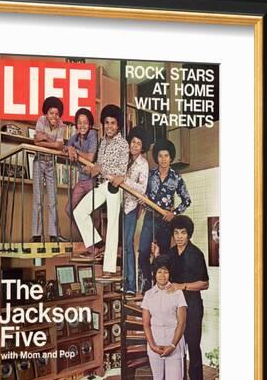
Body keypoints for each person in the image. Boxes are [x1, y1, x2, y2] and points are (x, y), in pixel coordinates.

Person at [153, 215, 209, 380]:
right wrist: (156, 257)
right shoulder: (169, 253)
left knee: (193, 348)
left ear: (189, 234)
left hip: (192, 307)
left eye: (183, 233)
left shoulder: (196, 254)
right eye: (176, 233)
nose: (179, 237)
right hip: (174, 309)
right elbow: (161, 273)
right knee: (176, 350)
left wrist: (182, 286)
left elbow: (205, 283)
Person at [73, 104, 129, 278]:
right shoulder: (102, 141)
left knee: (112, 226)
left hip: (114, 186)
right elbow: (98, 164)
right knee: (79, 211)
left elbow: (122, 170)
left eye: (113, 123)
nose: (109, 126)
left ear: (118, 125)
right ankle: (97, 245)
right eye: (107, 122)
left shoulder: (123, 144)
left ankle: (109, 268)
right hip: (101, 185)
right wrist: (95, 169)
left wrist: (102, 169)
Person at [138, 138, 191, 292]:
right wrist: (143, 201)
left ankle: (161, 287)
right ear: (157, 157)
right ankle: (147, 282)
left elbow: (187, 200)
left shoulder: (176, 178)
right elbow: (143, 194)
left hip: (165, 222)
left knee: (163, 257)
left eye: (166, 156)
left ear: (171, 158)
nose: (163, 159)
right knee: (142, 252)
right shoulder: (150, 175)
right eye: (160, 156)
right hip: (149, 218)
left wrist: (173, 213)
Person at [111, 126, 151, 296]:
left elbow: (142, 188)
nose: (134, 145)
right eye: (133, 142)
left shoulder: (144, 164)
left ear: (143, 147)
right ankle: (123, 281)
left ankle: (131, 285)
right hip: (116, 203)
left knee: (128, 245)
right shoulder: (124, 157)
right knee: (120, 245)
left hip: (131, 207)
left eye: (138, 144)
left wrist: (125, 180)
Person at [141, 255, 187, 380]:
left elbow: (182, 322)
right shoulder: (148, 295)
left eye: (165, 271)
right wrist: (153, 345)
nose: (162, 275)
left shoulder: (178, 293)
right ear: (154, 273)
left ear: (170, 273)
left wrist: (172, 345)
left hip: (174, 344)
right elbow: (146, 324)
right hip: (155, 345)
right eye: (159, 271)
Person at [31, 96, 68, 243]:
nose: (55, 116)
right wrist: (53, 142)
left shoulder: (62, 125)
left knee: (53, 200)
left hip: (51, 163)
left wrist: (45, 140)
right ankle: (36, 235)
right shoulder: (41, 120)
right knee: (37, 200)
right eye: (52, 113)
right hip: (39, 161)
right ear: (47, 113)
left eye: (57, 114)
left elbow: (59, 146)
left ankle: (53, 235)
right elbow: (36, 141)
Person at [65, 108, 98, 227]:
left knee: (94, 212)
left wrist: (75, 150)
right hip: (81, 180)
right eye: (79, 122)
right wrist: (69, 148)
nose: (82, 125)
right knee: (70, 209)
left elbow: (90, 157)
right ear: (76, 124)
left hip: (92, 180)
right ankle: (87, 234)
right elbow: (66, 147)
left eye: (85, 122)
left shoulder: (93, 134)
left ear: (90, 125)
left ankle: (96, 240)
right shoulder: (74, 138)